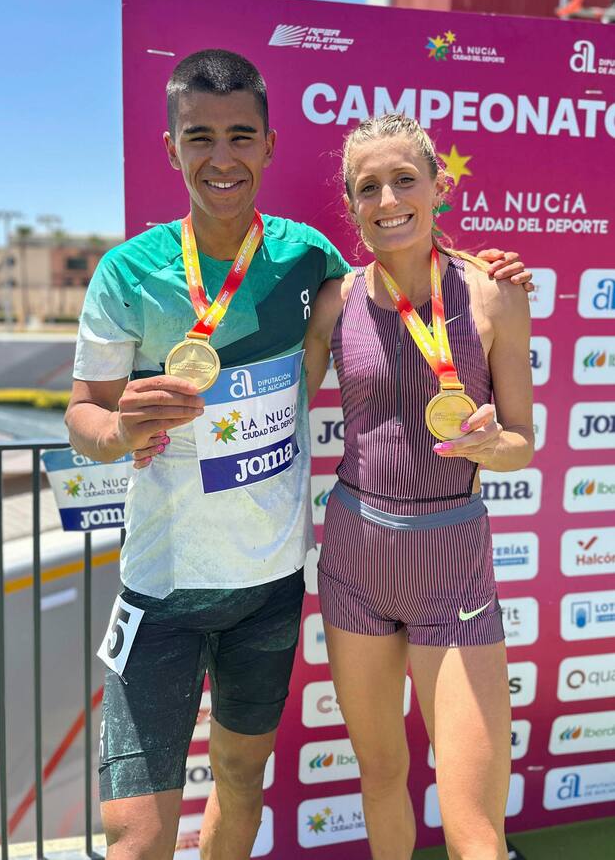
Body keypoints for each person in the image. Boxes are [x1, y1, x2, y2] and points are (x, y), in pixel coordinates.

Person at [66, 49, 532, 860]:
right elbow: (99, 413)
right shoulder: (160, 274)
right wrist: (122, 431)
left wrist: (497, 426)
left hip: (341, 573)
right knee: (147, 836)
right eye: (199, 136)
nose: (222, 156)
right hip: (220, 573)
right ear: (171, 147)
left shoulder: (373, 274)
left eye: (240, 135)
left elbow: (514, 427)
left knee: (438, 826)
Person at [301, 113, 534, 860]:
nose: (389, 198)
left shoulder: (493, 295)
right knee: (382, 775)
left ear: (439, 186)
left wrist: (492, 443)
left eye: (405, 179)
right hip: (355, 560)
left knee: (474, 829)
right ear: (351, 203)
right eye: (368, 187)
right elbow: (279, 409)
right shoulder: (335, 301)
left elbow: (522, 445)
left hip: (452, 565)